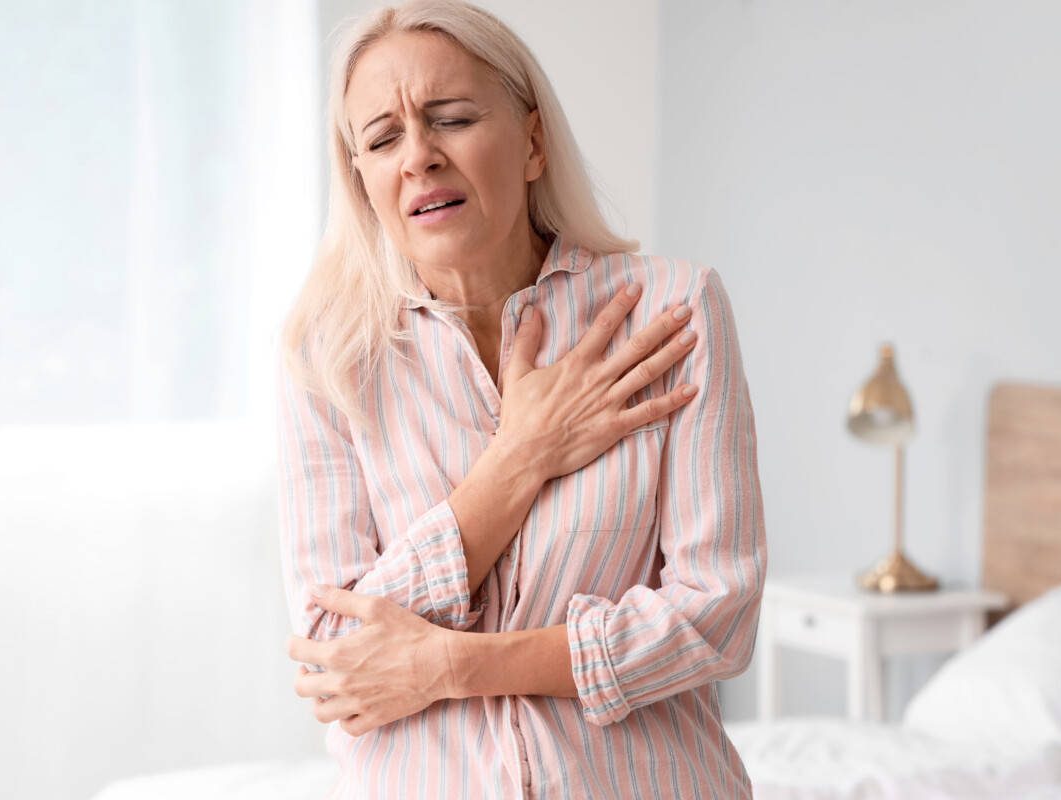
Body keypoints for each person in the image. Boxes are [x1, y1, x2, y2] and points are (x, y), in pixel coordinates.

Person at [275, 1, 767, 797]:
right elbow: (335, 653)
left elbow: (717, 616)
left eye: (452, 118)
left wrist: (452, 665)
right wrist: (519, 458)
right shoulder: (330, 361)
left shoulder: (672, 313)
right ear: (361, 178)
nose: (420, 159)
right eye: (383, 137)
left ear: (533, 141)